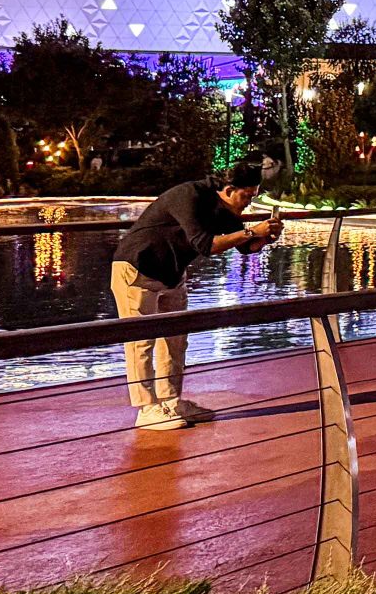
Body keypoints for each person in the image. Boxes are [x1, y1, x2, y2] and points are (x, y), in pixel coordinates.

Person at [111, 159, 281, 430]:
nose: (249, 202)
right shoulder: (188, 195)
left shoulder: (222, 207)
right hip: (137, 269)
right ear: (229, 190)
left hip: (171, 274)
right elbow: (205, 245)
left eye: (253, 196)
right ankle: (146, 409)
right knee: (141, 342)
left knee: (176, 341)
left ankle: (171, 402)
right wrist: (250, 231)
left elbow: (244, 246)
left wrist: (265, 237)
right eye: (247, 196)